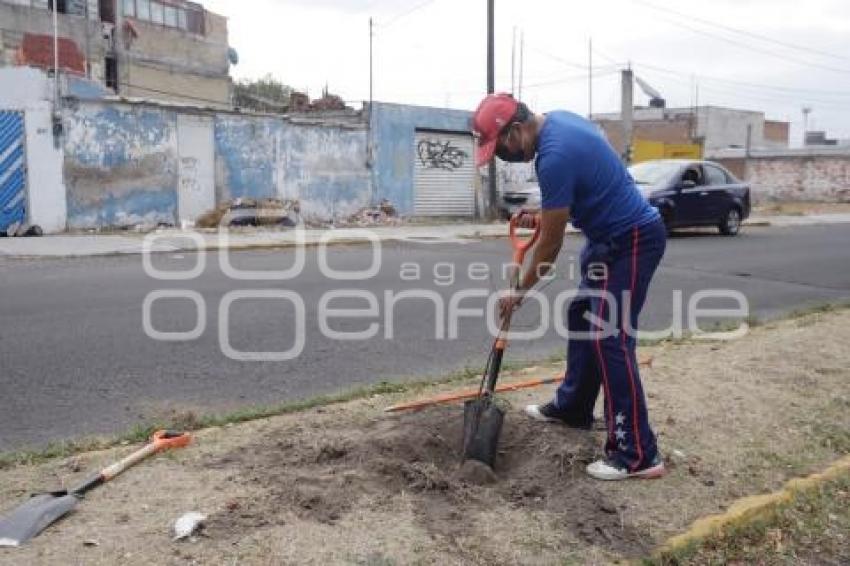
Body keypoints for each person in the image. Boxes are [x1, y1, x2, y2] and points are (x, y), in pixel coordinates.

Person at [472, 93, 667, 481]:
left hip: (630, 240)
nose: (503, 157)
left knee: (610, 338)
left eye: (501, 148)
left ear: (515, 130)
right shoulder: (558, 121)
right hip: (607, 237)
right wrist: (544, 213)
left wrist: (519, 291)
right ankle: (573, 406)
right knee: (582, 316)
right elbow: (570, 200)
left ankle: (636, 453)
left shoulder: (553, 157)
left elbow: (550, 244)